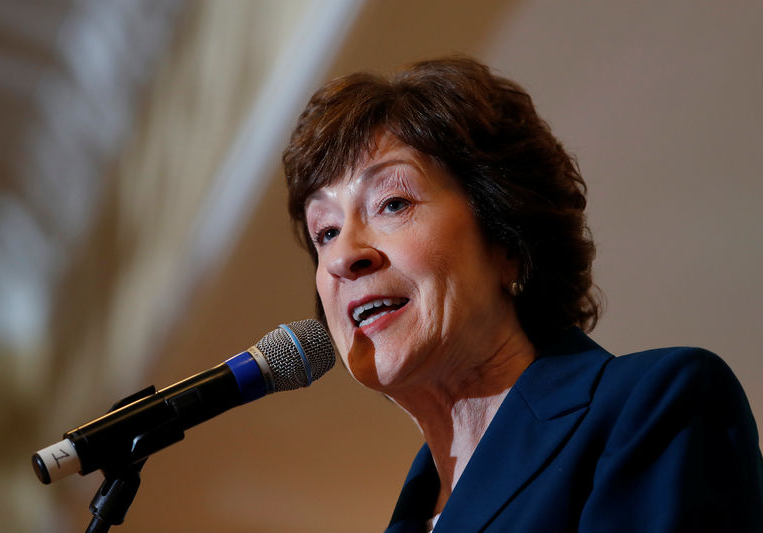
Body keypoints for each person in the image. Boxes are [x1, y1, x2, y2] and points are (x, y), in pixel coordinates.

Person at [282, 56, 763, 532]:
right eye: (325, 232)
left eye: (392, 203)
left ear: (505, 239)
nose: (345, 255)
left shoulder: (652, 410)